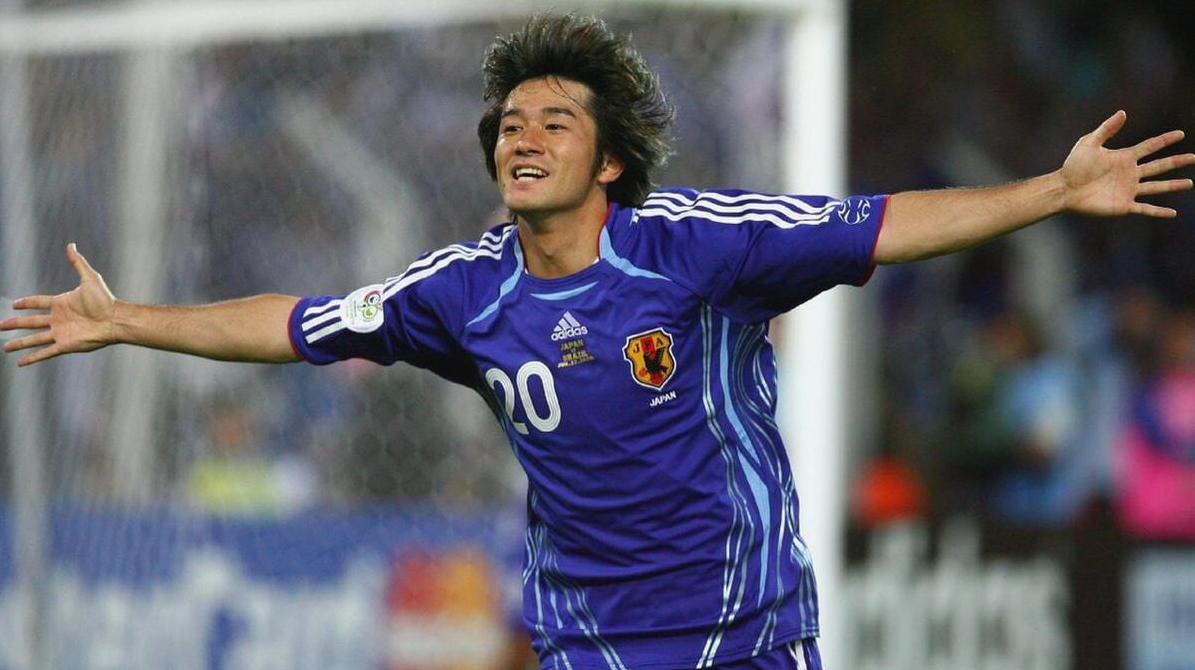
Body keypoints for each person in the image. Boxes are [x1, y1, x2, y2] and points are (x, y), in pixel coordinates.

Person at [3, 13, 1192, 670]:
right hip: (587, 653)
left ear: (610, 159)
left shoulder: (695, 248)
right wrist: (126, 320)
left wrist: (1050, 190)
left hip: (748, 640)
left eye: (553, 123)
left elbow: (883, 224)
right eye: (508, 124)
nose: (521, 138)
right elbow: (299, 323)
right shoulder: (462, 291)